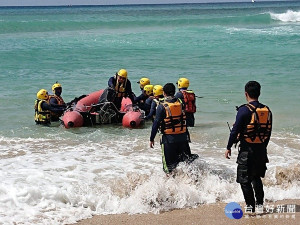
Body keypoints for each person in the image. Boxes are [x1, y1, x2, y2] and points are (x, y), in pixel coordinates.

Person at [225, 81, 272, 212]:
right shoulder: (267, 110)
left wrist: (228, 147)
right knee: (256, 177)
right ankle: (260, 205)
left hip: (247, 151)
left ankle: (250, 207)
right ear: (259, 93)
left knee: (244, 179)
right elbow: (268, 132)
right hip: (261, 150)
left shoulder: (244, 110)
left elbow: (235, 131)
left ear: (246, 94)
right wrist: (263, 149)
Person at [150, 83, 198, 174]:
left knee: (169, 168)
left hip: (169, 140)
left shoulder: (162, 107)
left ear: (164, 93)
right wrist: (187, 136)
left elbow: (156, 124)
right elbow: (183, 120)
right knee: (187, 164)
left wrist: (151, 138)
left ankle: (171, 185)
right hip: (183, 138)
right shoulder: (181, 103)